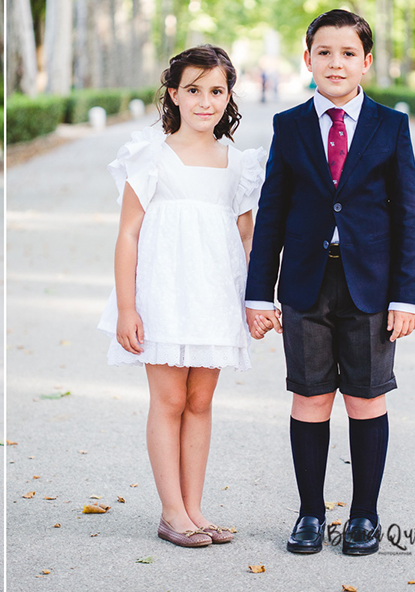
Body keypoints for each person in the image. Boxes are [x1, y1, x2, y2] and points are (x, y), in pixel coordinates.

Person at [245, 9, 415, 557]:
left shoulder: (391, 125)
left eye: (348, 53)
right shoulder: (290, 125)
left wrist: (406, 295)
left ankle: (365, 516)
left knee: (367, 399)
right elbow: (271, 212)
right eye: (324, 52)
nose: (336, 62)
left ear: (366, 62)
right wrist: (258, 293)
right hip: (305, 284)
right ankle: (310, 514)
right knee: (310, 397)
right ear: (308, 60)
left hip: (371, 287)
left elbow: (409, 214)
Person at [98, 45, 265, 548]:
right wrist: (128, 307)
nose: (205, 100)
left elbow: (247, 238)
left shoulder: (240, 163)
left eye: (216, 91)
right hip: (164, 291)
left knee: (200, 401)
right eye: (193, 90)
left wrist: (257, 300)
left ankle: (195, 508)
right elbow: (128, 234)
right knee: (168, 399)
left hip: (216, 291)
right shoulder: (150, 155)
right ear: (173, 94)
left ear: (229, 96)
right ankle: (171, 511)